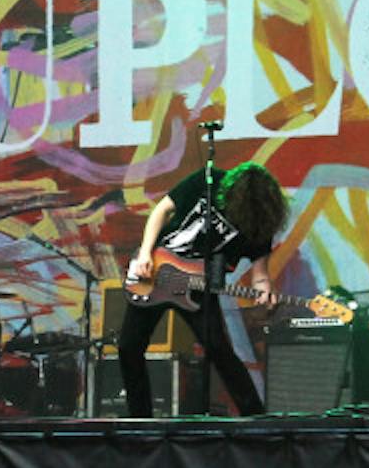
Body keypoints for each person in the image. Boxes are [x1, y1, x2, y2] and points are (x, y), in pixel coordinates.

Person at [116, 162, 288, 417]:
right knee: (129, 347)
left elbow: (260, 273)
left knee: (219, 350)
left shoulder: (258, 224)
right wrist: (145, 253)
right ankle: (139, 420)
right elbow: (162, 210)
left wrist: (264, 290)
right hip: (157, 272)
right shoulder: (207, 181)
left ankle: (255, 418)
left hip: (197, 288)